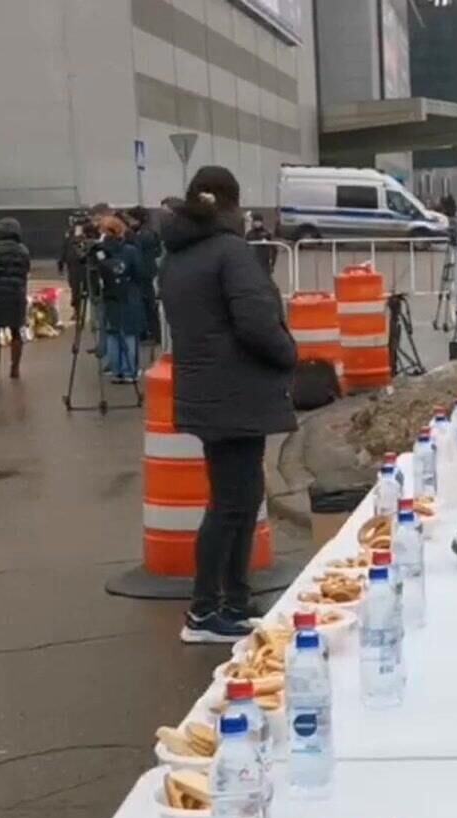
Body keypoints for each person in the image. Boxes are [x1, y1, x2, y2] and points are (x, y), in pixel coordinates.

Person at [161, 165, 299, 643]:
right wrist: (289, 352)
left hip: (206, 391)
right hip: (238, 392)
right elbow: (256, 321)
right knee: (231, 504)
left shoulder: (178, 255)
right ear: (233, 205)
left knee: (239, 499)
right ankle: (207, 610)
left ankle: (234, 603)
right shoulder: (231, 254)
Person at [90, 216, 147, 383]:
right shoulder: (130, 250)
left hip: (108, 295)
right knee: (129, 334)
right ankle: (130, 371)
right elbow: (140, 273)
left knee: (112, 333)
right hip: (129, 294)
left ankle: (116, 370)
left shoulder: (98, 252)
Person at [0, 218, 33, 380]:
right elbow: (25, 271)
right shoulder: (23, 250)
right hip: (16, 295)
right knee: (16, 331)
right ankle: (15, 368)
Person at [128, 206, 165, 345]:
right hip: (147, 272)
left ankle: (154, 334)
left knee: (149, 305)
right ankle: (150, 332)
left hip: (146, 273)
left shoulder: (144, 235)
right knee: (146, 304)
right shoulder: (145, 233)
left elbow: (141, 253)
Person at [245, 212, 278, 278]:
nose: (257, 223)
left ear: (262, 222)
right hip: (253, 262)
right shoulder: (249, 234)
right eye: (255, 221)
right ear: (253, 222)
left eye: (259, 221)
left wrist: (272, 264)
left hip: (265, 263)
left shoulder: (266, 234)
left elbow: (274, 249)